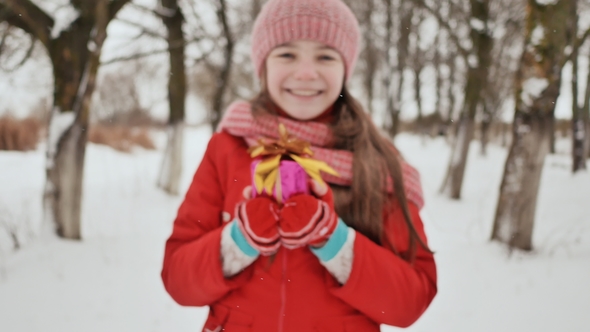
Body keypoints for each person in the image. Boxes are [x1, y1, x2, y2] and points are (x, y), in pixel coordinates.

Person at [161, 0, 437, 330]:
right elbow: (179, 281)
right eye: (287, 54)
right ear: (262, 65)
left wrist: (333, 241)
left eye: (325, 56)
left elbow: (410, 302)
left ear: (345, 69)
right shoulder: (227, 148)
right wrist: (238, 240)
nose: (306, 73)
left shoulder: (376, 163)